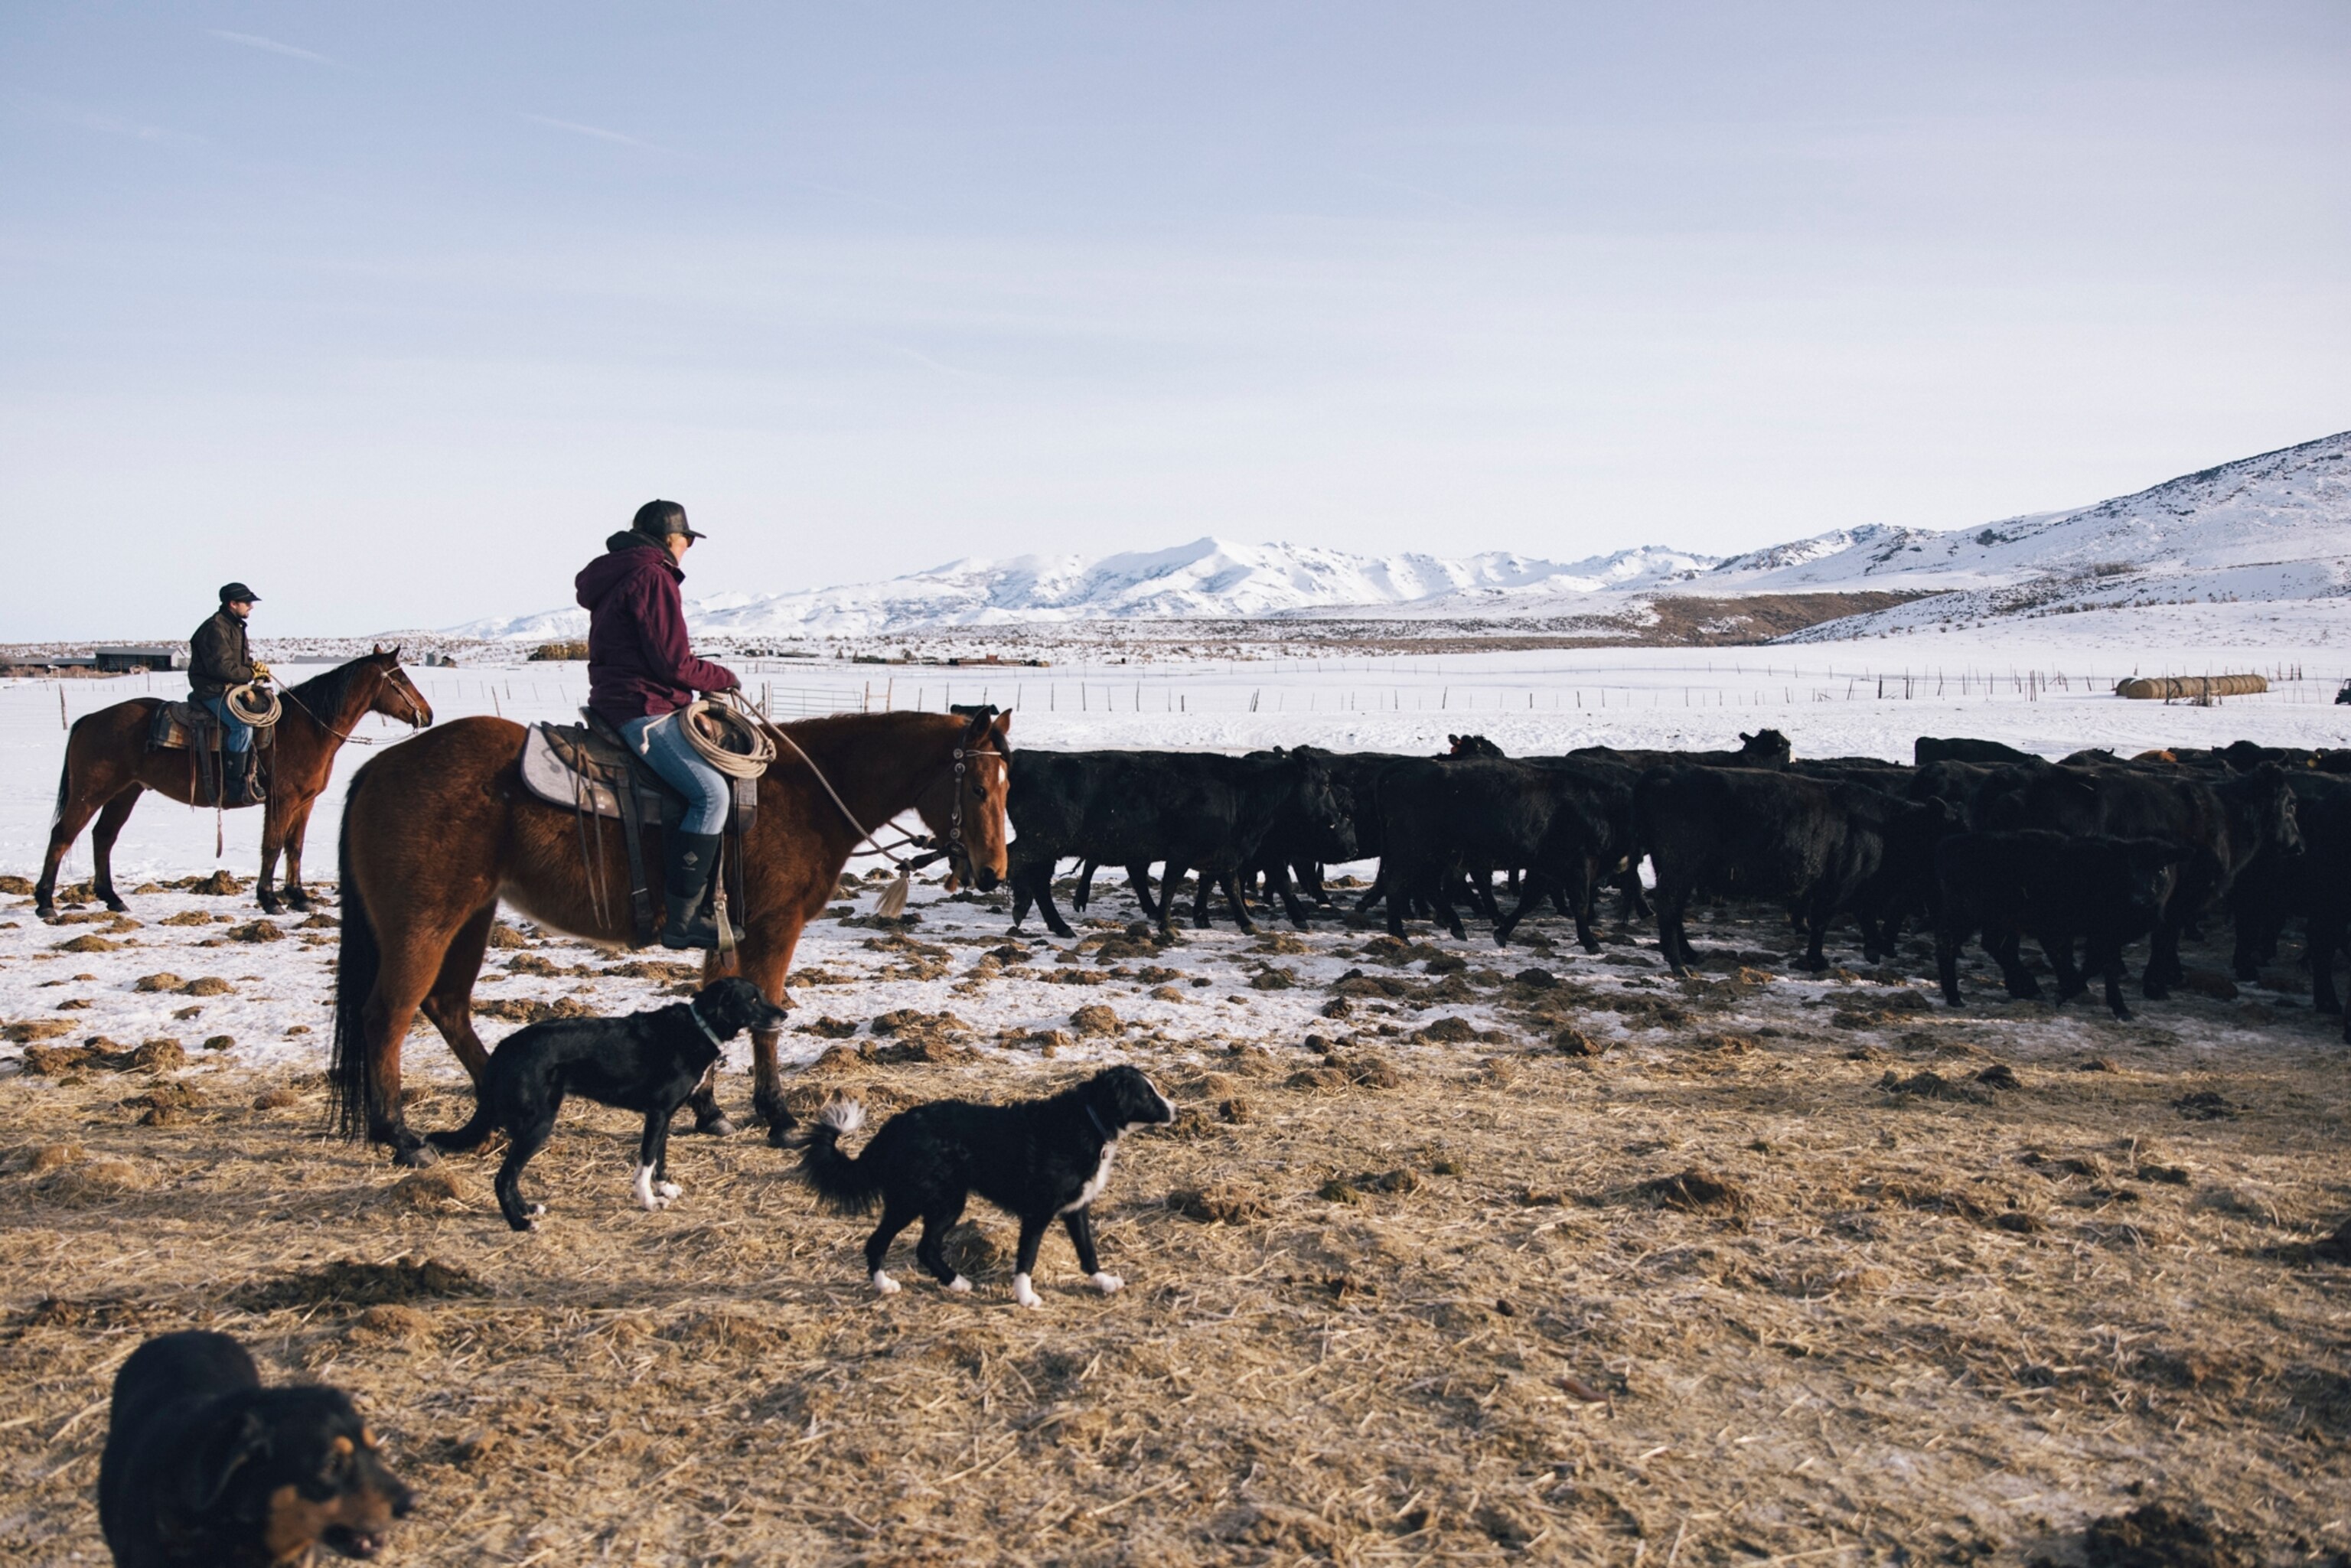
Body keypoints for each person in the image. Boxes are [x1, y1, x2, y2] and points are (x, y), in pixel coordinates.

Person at [576, 500, 743, 950]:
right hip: (642, 706)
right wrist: (722, 677)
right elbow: (673, 662)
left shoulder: (619, 574)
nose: (689, 547)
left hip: (622, 700)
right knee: (710, 795)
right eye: (688, 539)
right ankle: (683, 920)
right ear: (673, 538)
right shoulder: (653, 576)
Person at [188, 582, 272, 806]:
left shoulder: (235, 625)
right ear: (232, 604)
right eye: (247, 602)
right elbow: (222, 667)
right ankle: (235, 785)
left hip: (229, 688)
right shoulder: (215, 628)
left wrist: (255, 667)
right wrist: (250, 672)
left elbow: (238, 662)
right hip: (211, 690)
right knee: (241, 725)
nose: (251, 607)